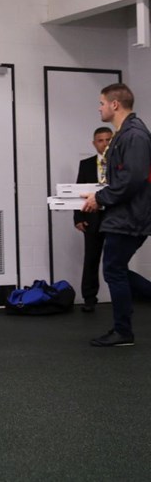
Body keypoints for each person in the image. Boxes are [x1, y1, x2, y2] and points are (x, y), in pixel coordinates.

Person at [81, 83, 151, 347]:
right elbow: (122, 178)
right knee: (115, 270)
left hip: (130, 217)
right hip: (123, 215)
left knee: (114, 270)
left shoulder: (135, 135)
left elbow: (132, 179)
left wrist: (100, 198)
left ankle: (123, 331)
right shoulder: (124, 135)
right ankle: (123, 329)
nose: (99, 107)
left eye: (101, 103)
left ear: (114, 104)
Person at [73, 126, 112, 312]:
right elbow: (78, 192)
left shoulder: (120, 163)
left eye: (108, 140)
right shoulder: (86, 164)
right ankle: (89, 298)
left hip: (115, 217)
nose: (105, 144)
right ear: (94, 143)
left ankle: (120, 297)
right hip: (93, 217)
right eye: (101, 140)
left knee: (115, 260)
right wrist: (78, 218)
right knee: (91, 258)